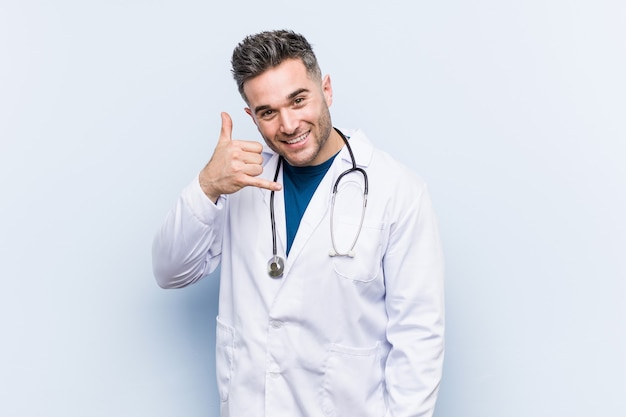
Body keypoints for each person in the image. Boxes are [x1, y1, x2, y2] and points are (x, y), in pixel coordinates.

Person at [152, 29, 445, 417]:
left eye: (299, 100)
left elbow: (419, 337)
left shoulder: (398, 191)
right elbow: (170, 271)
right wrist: (207, 185)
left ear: (326, 89)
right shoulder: (236, 181)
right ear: (251, 117)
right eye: (268, 112)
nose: (288, 125)